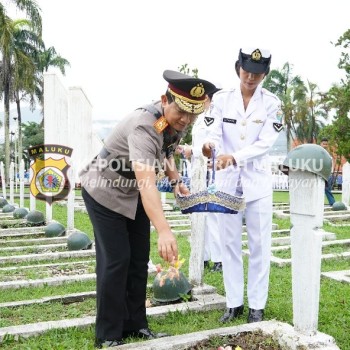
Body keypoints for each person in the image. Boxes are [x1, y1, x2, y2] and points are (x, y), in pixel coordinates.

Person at [79, 70, 216, 348]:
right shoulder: (144, 124)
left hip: (131, 193)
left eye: (193, 114)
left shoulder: (173, 120)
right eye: (182, 112)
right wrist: (164, 230)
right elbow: (147, 185)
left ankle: (136, 325)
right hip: (104, 190)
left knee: (139, 259)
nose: (186, 120)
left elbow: (165, 151)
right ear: (166, 99)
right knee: (116, 260)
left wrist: (176, 180)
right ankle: (108, 334)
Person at [202, 47, 283, 323]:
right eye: (247, 71)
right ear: (238, 68)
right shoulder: (222, 100)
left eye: (257, 73)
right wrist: (209, 148)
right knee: (229, 243)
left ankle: (257, 306)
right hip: (227, 182)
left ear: (265, 74)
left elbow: (265, 144)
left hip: (257, 181)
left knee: (260, 244)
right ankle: (234, 302)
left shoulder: (272, 103)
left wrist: (234, 157)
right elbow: (213, 133)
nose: (251, 77)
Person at [177, 87, 224, 272]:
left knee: (212, 216)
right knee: (198, 215)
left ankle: (219, 259)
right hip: (197, 171)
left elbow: (213, 146)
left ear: (207, 98)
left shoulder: (214, 118)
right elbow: (199, 145)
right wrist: (188, 149)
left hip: (210, 171)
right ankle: (202, 256)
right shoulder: (199, 119)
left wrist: (193, 151)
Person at [320, 138, 336, 206]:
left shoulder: (328, 153)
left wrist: (331, 172)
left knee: (327, 189)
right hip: (320, 173)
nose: (325, 145)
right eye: (324, 144)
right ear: (321, 144)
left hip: (327, 174)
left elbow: (331, 162)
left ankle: (332, 203)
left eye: (326, 144)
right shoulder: (319, 152)